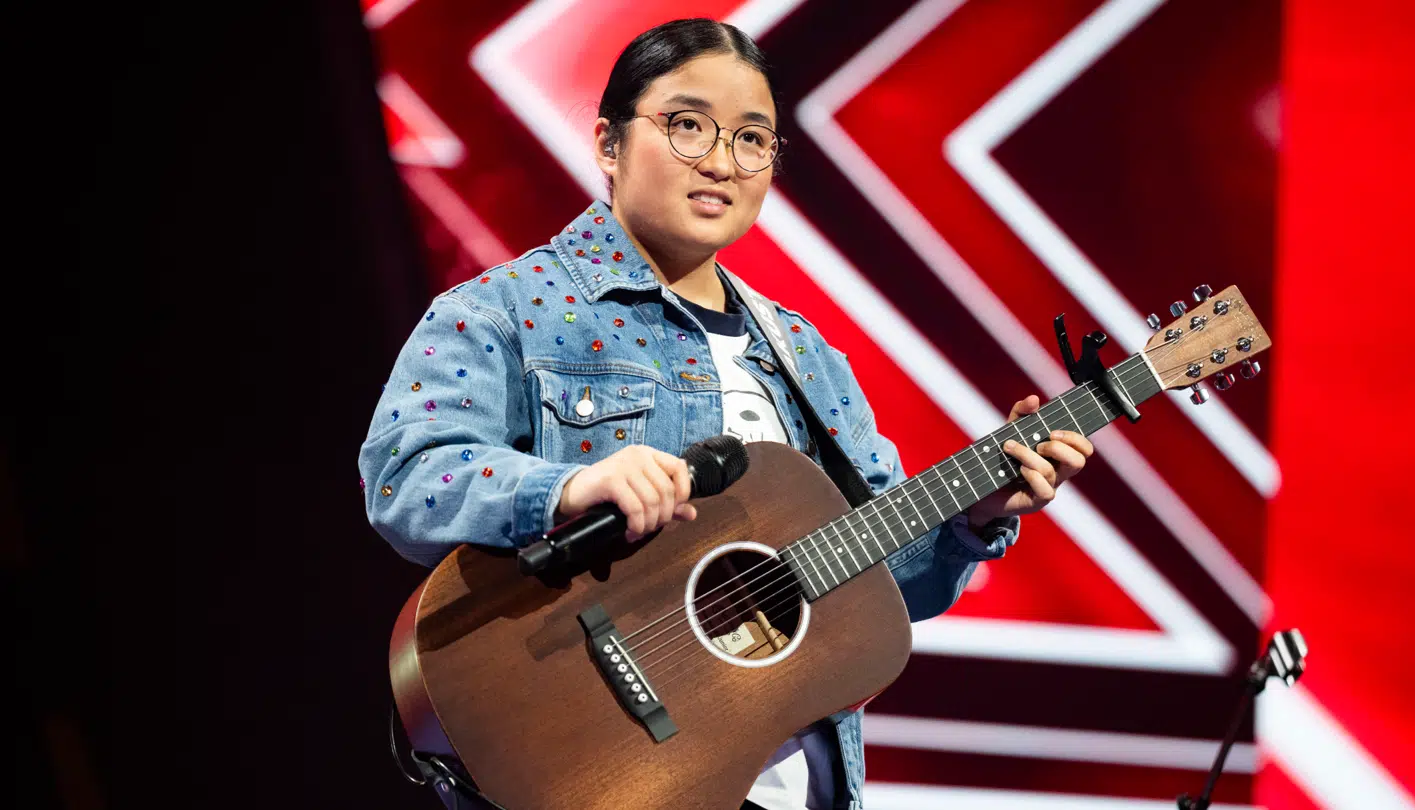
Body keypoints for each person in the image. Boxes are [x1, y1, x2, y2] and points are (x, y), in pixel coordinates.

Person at [359, 18, 1093, 810]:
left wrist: (970, 519)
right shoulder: (507, 311)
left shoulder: (807, 356)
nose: (720, 162)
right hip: (606, 774)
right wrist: (565, 491)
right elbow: (406, 478)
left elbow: (873, 596)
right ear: (608, 143)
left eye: (753, 140)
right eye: (686, 126)